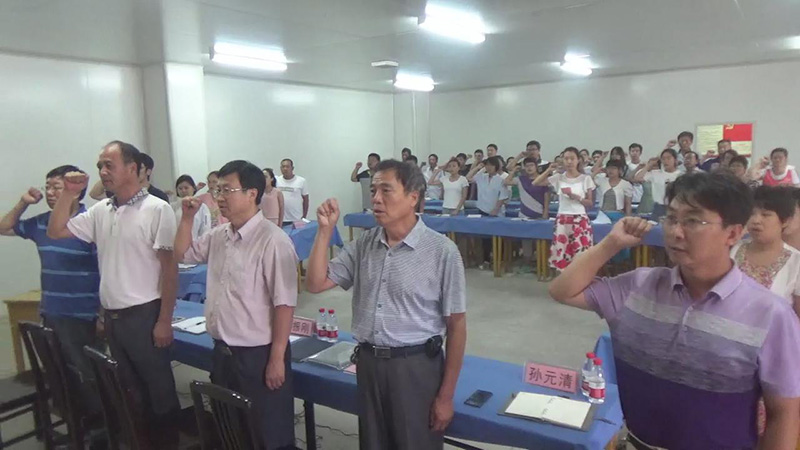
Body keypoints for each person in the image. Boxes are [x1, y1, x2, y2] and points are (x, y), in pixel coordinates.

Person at [549, 172, 800, 449]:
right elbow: (563, 291)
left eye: (693, 221)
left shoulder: (771, 314)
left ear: (733, 233)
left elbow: (784, 413)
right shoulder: (638, 285)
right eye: (671, 218)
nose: (676, 232)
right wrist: (611, 244)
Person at [306, 159, 467, 450]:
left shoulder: (442, 251)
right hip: (368, 364)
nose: (376, 199)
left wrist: (445, 396)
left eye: (386, 190)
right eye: (373, 191)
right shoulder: (365, 244)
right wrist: (324, 231)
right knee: (373, 443)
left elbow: (456, 326)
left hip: (414, 367)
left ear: (413, 197)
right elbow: (315, 283)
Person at [46, 141, 180, 446]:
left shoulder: (156, 209)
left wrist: (164, 320)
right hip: (114, 317)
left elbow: (169, 269)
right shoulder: (101, 211)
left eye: (109, 165)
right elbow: (56, 231)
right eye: (100, 167)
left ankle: (167, 443)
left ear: (132, 168)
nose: (103, 172)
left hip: (144, 315)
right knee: (129, 389)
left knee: (158, 389)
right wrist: (68, 193)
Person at [175, 160, 297, 449]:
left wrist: (277, 359)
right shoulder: (220, 235)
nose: (219, 197)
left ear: (252, 193)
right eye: (217, 190)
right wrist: (187, 219)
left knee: (265, 434)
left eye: (227, 190)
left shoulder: (273, 241)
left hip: (258, 356)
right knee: (231, 431)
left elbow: (284, 303)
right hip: (223, 352)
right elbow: (182, 254)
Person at [0, 165, 102, 418]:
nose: (50, 192)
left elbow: (106, 272)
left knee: (88, 374)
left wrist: (102, 315)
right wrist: (23, 203)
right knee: (60, 374)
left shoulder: (90, 222)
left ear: (76, 191)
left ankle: (100, 426)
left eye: (57, 187)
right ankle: (75, 425)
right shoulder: (42, 222)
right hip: (51, 311)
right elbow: (3, 226)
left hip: (82, 314)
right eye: (47, 187)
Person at [731, 186, 800, 313]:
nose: (756, 220)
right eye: (752, 214)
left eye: (766, 215)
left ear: (785, 221)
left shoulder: (796, 262)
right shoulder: (731, 249)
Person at [534, 147, 595, 271]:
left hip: (579, 218)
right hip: (563, 218)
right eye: (566, 159)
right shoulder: (559, 177)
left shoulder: (586, 178)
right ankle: (564, 278)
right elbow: (536, 183)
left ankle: (580, 278)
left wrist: (577, 197)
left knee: (581, 250)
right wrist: (549, 170)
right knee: (562, 250)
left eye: (572, 158)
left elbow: (590, 203)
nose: (569, 162)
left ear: (578, 160)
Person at [87, 152, 170, 203]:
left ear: (148, 171)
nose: (136, 171)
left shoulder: (159, 195)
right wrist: (110, 174)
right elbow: (94, 194)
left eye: (140, 168)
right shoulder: (121, 193)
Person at [633, 148, 681, 218]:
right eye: (663, 159)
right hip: (659, 207)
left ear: (675, 160)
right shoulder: (656, 173)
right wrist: (648, 165)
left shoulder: (681, 175)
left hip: (675, 207)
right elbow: (637, 178)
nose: (666, 161)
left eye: (668, 158)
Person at [173, 175, 211, 241]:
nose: (183, 190)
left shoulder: (202, 207)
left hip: (197, 243)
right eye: (180, 188)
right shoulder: (172, 206)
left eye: (186, 188)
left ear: (193, 188)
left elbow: (205, 229)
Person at [276, 158, 309, 226]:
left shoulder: (301, 181)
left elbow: (306, 200)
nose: (285, 169)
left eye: (287, 166)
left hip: (297, 218)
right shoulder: (277, 181)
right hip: (281, 219)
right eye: (283, 167)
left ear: (292, 168)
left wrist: (304, 217)